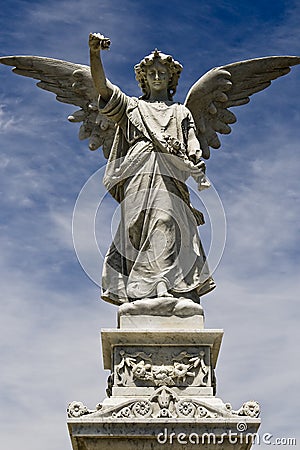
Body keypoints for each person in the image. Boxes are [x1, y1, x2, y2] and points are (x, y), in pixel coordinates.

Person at [89, 33, 215, 313]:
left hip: (169, 176)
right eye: (151, 73)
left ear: (171, 79)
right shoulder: (133, 107)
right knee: (136, 228)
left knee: (166, 221)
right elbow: (103, 89)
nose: (157, 76)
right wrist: (95, 55)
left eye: (162, 73)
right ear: (143, 79)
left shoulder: (181, 112)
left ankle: (163, 286)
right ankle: (139, 293)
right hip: (138, 174)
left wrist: (194, 155)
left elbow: (191, 139)